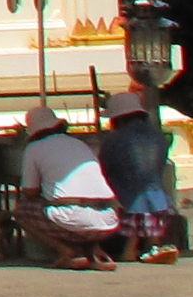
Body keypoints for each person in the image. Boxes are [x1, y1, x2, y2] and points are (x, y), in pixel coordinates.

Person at [15, 102, 118, 271]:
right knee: (73, 207)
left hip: (70, 218)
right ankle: (93, 250)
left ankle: (65, 250)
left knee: (21, 211)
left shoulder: (34, 148)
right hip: (108, 219)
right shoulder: (79, 144)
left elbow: (30, 191)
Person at [100, 85, 183, 263]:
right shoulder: (157, 135)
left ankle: (132, 251)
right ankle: (154, 248)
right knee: (153, 229)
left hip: (129, 199)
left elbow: (106, 167)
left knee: (132, 234)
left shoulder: (114, 140)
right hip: (159, 198)